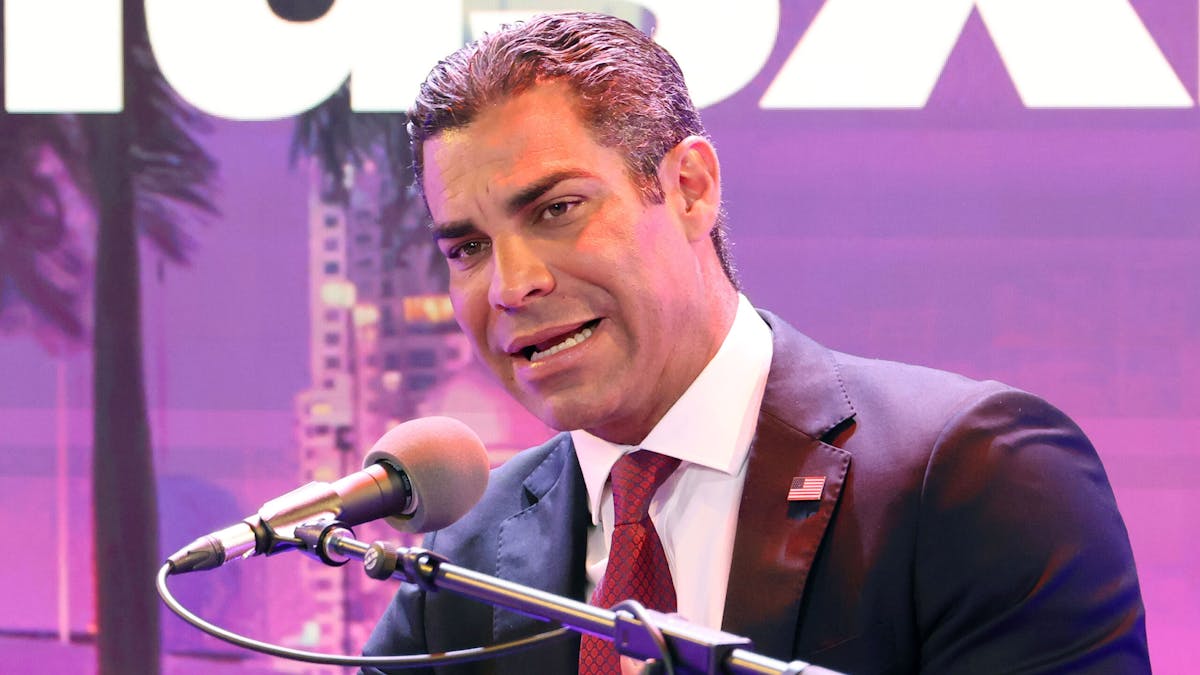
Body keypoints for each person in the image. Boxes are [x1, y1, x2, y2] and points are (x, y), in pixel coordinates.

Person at [362, 11, 1149, 674]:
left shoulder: (975, 473)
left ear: (690, 189)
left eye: (557, 209)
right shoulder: (458, 562)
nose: (512, 284)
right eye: (467, 247)